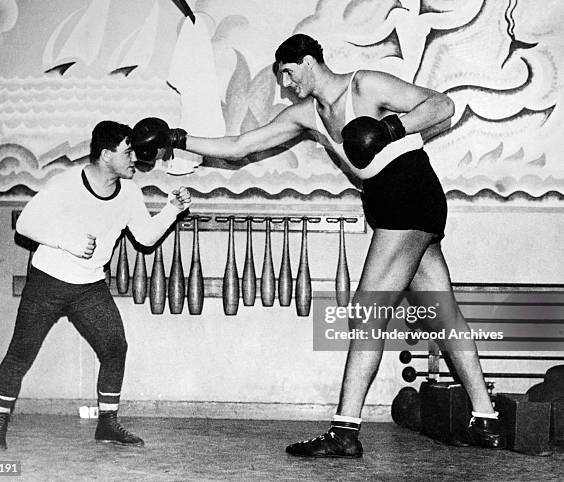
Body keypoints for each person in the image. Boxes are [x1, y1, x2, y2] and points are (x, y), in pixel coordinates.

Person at [130, 33, 504, 457]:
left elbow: (443, 105)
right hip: (384, 202)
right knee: (443, 311)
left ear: (308, 61)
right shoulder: (308, 114)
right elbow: (239, 147)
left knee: (367, 314)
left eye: (289, 73)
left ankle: (345, 432)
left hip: (409, 192)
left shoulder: (365, 85)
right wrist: (176, 139)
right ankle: (485, 420)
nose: (287, 84)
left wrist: (390, 128)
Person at [0, 120, 191, 450]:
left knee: (115, 347)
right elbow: (25, 224)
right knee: (20, 354)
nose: (135, 156)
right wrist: (67, 241)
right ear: (107, 155)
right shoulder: (66, 184)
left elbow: (146, 237)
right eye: (127, 151)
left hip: (89, 287)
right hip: (47, 282)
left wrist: (172, 209)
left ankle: (107, 424)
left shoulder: (130, 193)